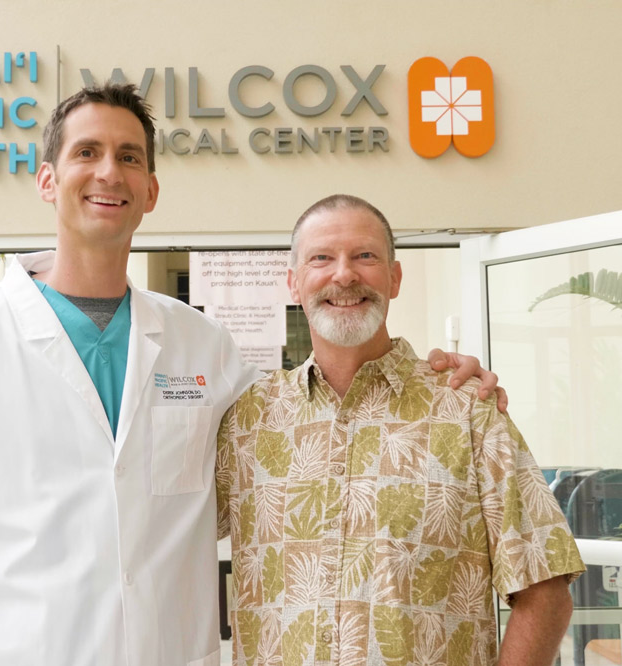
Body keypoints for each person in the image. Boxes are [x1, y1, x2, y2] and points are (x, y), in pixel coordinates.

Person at [0, 86, 502, 666]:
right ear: (48, 180)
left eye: (130, 156)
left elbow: (316, 427)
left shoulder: (200, 346)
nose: (109, 170)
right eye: (87, 152)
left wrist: (441, 384)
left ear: (151, 190)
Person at [216, 194, 585, 666]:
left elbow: (545, 589)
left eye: (364, 256)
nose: (344, 275)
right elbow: (164, 535)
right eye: (322, 258)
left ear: (394, 278)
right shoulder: (248, 420)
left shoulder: (466, 412)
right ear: (293, 283)